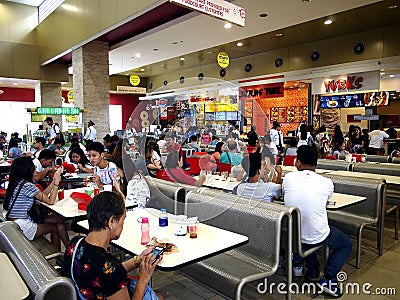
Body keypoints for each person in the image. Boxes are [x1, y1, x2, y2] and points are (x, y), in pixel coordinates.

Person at [62, 192, 163, 300]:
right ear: (111, 221)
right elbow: (111, 273)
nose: (122, 225)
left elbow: (107, 273)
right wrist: (143, 278)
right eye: (122, 220)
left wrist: (137, 260)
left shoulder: (75, 244)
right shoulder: (109, 265)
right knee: (158, 296)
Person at [283, 145, 352, 297]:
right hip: (316, 235)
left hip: (292, 235)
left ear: (298, 163)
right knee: (345, 244)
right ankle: (328, 277)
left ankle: (303, 266)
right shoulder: (326, 182)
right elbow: (326, 200)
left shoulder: (288, 178)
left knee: (306, 233)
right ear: (317, 162)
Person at [4, 157, 69, 251]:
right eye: (33, 166)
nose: (35, 167)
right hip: (22, 224)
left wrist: (54, 181)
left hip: (14, 221)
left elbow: (42, 196)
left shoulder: (17, 183)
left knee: (57, 219)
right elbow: (50, 201)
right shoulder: (28, 186)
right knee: (55, 227)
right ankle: (62, 254)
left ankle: (68, 250)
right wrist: (56, 183)